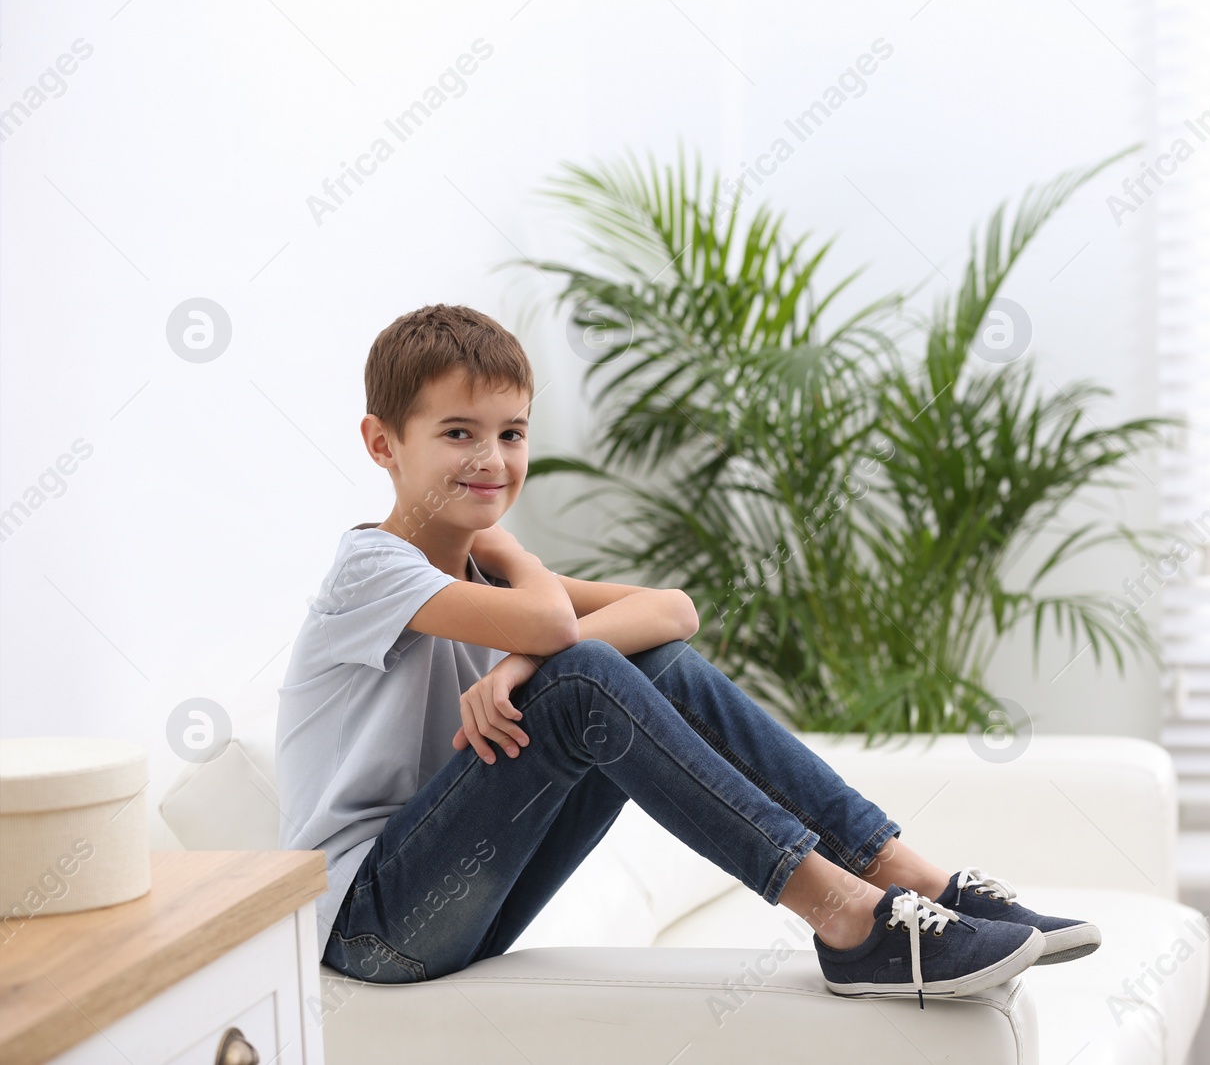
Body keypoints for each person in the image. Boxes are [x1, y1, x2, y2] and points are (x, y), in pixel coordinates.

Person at [275, 304, 1100, 1008]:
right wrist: (518, 566)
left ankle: (909, 879)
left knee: (650, 661)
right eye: (459, 433)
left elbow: (674, 611)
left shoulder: (484, 572)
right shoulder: (372, 568)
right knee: (588, 677)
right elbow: (555, 628)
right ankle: (846, 918)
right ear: (382, 443)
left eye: (512, 432)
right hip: (371, 923)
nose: (493, 459)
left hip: (465, 902)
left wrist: (516, 659)